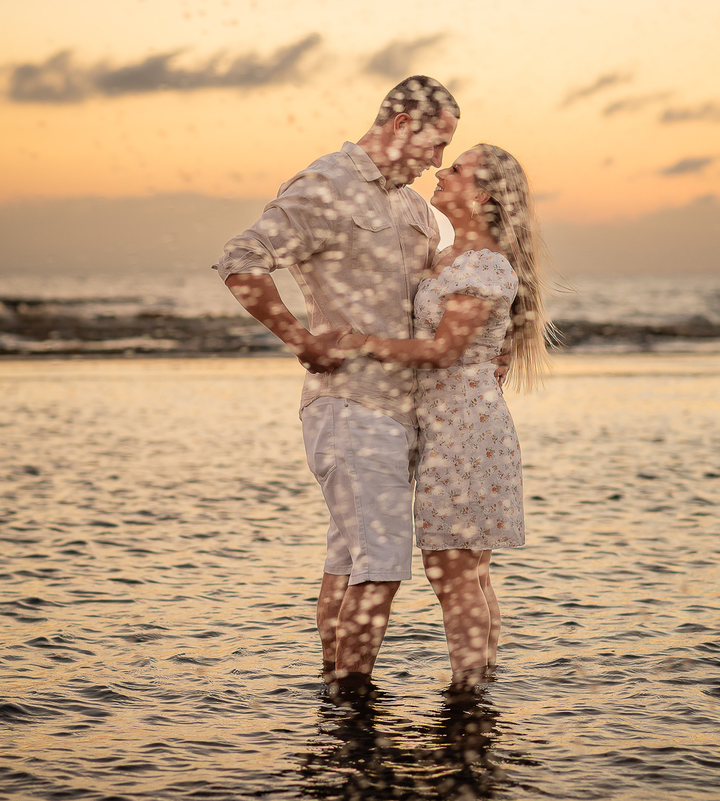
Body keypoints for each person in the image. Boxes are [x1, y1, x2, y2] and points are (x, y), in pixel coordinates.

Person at [213, 76, 460, 694]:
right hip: (349, 406)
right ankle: (353, 699)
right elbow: (240, 260)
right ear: (402, 122)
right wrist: (301, 340)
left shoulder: (413, 208)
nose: (439, 160)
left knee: (350, 558)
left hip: (402, 410)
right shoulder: (326, 185)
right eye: (437, 142)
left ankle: (335, 694)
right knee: (382, 563)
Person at [338, 144, 553, 689]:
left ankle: (470, 689)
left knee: (455, 570)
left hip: (465, 431)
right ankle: (479, 682)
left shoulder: (481, 265)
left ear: (481, 195)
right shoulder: (452, 255)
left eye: (456, 169)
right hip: (456, 426)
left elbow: (442, 351)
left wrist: (358, 344)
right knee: (466, 569)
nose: (441, 170)